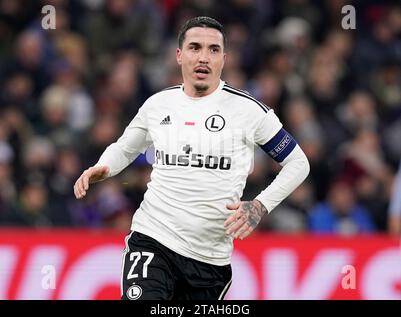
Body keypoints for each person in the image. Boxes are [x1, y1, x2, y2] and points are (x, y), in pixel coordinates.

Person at [73, 16, 310, 300]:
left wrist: (260, 206)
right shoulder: (158, 105)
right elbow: (125, 148)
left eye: (213, 50)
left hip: (210, 259)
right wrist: (104, 166)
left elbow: (298, 163)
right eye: (195, 47)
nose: (203, 58)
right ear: (179, 55)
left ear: (224, 58)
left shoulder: (249, 111)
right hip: (153, 239)